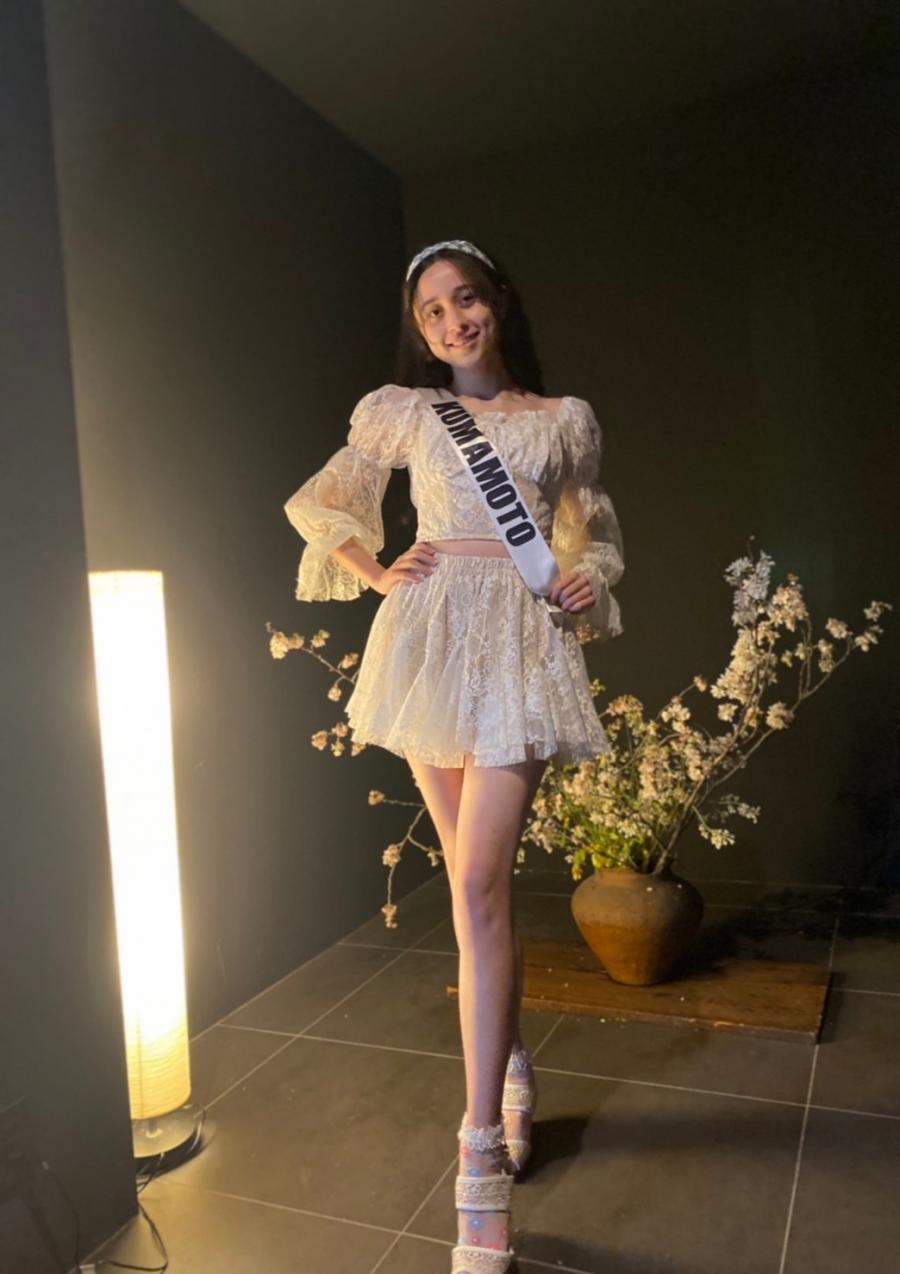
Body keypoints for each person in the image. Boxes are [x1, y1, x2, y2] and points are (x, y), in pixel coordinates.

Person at [283, 238, 624, 1273]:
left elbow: (594, 533)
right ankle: (509, 1064)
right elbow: (320, 501)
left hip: (516, 646)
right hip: (430, 639)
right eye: (431, 311)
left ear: (498, 302)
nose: (451, 322)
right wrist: (376, 568)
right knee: (476, 899)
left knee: (478, 886)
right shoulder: (407, 410)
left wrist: (589, 576)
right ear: (420, 329)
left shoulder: (560, 420)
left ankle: (478, 1159)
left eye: (464, 300)